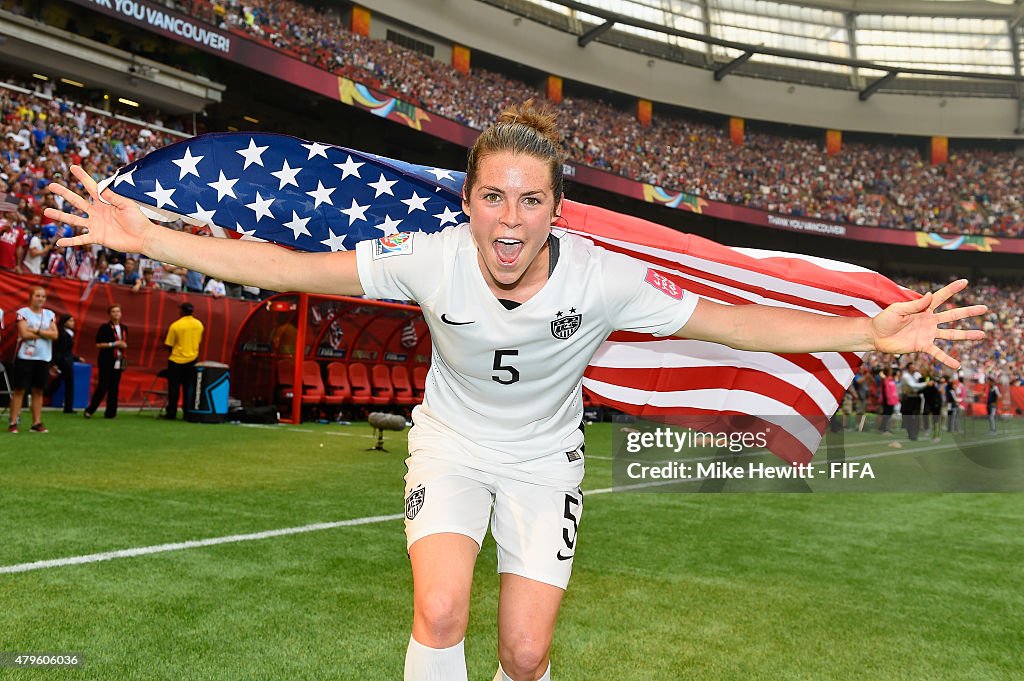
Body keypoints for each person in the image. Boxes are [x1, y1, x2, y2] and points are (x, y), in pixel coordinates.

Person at [47, 102, 987, 681]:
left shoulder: (602, 278)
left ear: (555, 210)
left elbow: (733, 325)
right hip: (452, 446)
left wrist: (866, 329)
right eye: (493, 196)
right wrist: (151, 239)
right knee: (442, 609)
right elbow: (290, 264)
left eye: (530, 200)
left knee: (528, 655)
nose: (509, 219)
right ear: (468, 200)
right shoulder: (425, 258)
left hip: (546, 460)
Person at [9, 285, 57, 433]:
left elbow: (55, 335)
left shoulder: (50, 314)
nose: (40, 299)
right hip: (25, 356)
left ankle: (36, 423)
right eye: (37, 296)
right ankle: (13, 422)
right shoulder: (22, 312)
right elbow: (23, 333)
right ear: (31, 297)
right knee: (19, 390)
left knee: (38, 390)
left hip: (43, 357)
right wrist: (45, 333)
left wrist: (34, 330)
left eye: (43, 296)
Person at [84, 303, 128, 419]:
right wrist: (113, 344)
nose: (116, 314)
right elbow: (98, 344)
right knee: (103, 385)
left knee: (114, 387)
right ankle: (90, 410)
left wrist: (123, 346)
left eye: (118, 311)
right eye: (113, 312)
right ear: (109, 314)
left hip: (118, 359)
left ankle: (111, 412)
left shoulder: (124, 328)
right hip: (106, 360)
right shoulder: (105, 327)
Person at [164, 302, 204, 420]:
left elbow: (169, 344)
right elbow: (198, 341)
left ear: (181, 311)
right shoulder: (199, 324)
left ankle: (171, 412)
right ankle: (187, 412)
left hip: (176, 359)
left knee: (174, 388)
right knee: (188, 388)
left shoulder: (176, 325)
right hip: (192, 359)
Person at [45, 313, 84, 414]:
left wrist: (76, 358)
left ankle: (44, 394)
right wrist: (56, 363)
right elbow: (61, 350)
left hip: (66, 360)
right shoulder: (62, 334)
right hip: (64, 361)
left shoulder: (69, 333)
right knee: (68, 384)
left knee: (59, 383)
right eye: (70, 321)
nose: (72, 323)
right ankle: (68, 407)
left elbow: (68, 351)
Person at [899, 361, 928, 441]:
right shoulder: (906, 376)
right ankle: (910, 433)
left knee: (917, 417)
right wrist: (926, 384)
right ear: (909, 368)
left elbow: (922, 380)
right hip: (909, 398)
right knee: (909, 416)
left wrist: (926, 378)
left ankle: (914, 434)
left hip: (917, 398)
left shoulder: (917, 375)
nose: (914, 368)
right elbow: (913, 386)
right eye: (912, 367)